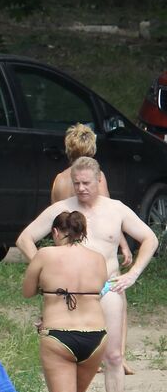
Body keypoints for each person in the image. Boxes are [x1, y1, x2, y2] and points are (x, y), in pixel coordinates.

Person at [17, 156, 158, 392]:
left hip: (108, 286)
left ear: (99, 181)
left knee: (114, 356)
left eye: (86, 183)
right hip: (70, 291)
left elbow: (150, 238)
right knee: (66, 354)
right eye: (77, 183)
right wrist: (46, 269)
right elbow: (25, 238)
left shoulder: (115, 209)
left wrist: (133, 274)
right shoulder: (62, 210)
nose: (81, 189)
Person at [22, 210, 109, 392]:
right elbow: (102, 286)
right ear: (82, 232)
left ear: (57, 233)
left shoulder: (45, 255)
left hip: (59, 335)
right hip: (96, 334)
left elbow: (27, 291)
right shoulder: (98, 259)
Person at [49, 125, 133, 372]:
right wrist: (123, 245)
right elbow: (108, 214)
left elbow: (57, 221)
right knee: (117, 298)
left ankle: (88, 355)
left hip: (71, 249)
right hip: (95, 249)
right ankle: (118, 356)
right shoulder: (96, 176)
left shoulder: (58, 180)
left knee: (80, 303)